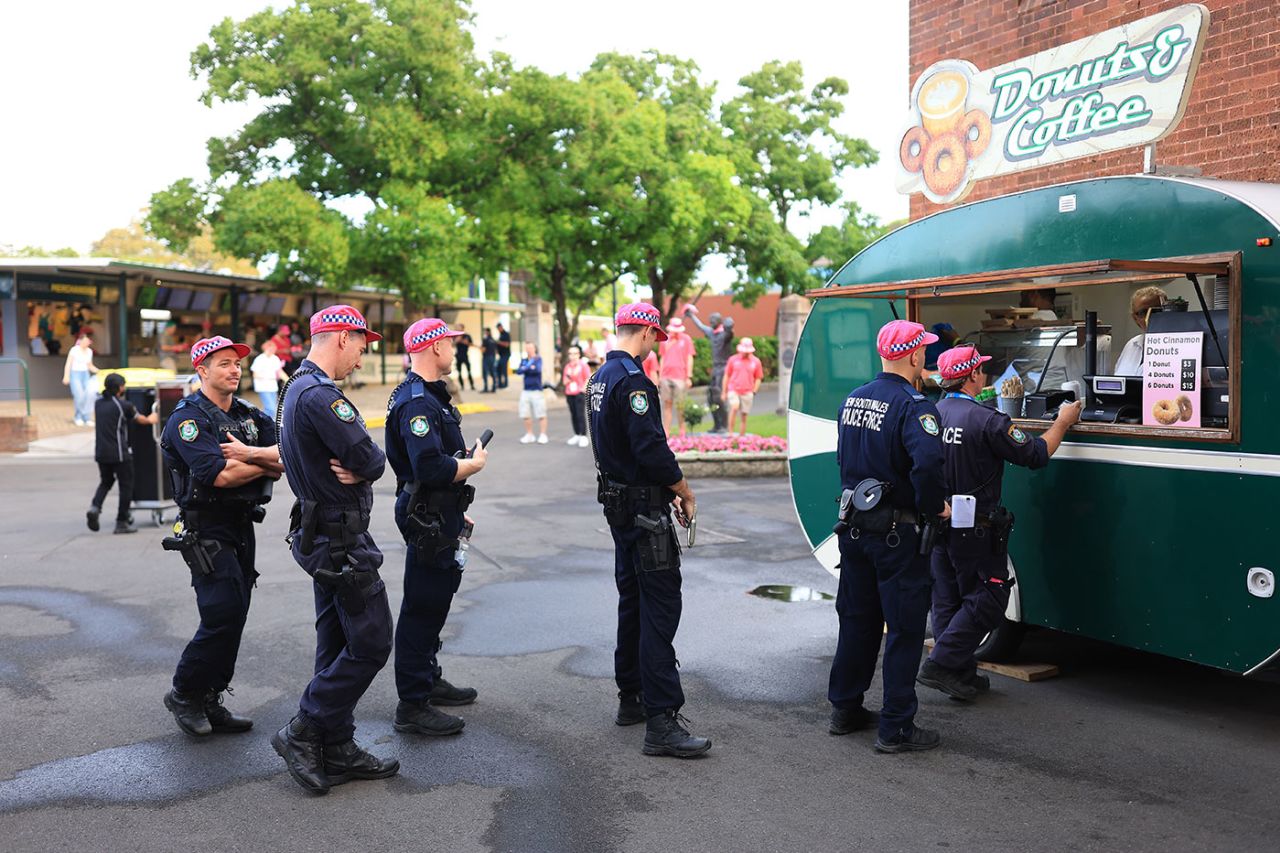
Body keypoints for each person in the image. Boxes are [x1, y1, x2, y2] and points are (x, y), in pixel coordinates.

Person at [274, 305, 399, 795]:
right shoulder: (322, 395)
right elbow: (370, 458)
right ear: (341, 338)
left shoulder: (292, 388)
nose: (362, 359)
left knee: (335, 646)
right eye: (362, 346)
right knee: (371, 642)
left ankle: (337, 744)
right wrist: (366, 464)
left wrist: (358, 465)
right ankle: (304, 730)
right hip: (341, 540)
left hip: (319, 533)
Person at [919, 346, 1081, 701]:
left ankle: (958, 673)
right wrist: (1063, 422)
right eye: (980, 369)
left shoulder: (930, 414)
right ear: (973, 376)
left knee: (947, 598)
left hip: (940, 523)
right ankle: (941, 664)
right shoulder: (988, 420)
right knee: (990, 595)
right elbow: (1037, 454)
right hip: (977, 529)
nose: (984, 375)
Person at [586, 302, 708, 758]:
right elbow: (651, 446)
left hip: (619, 505)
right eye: (656, 336)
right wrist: (682, 488)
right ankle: (662, 720)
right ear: (645, 332)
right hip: (643, 509)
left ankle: (631, 697)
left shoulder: (599, 378)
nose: (657, 344)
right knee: (660, 605)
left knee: (633, 601)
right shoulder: (633, 380)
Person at [828, 319, 950, 754]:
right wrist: (935, 506)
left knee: (857, 620)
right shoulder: (915, 405)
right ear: (916, 355)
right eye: (925, 353)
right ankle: (896, 726)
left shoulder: (854, 399)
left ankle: (845, 708)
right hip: (898, 532)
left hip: (855, 527)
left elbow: (844, 457)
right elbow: (929, 464)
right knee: (903, 627)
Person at [159, 336, 281, 739]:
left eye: (237, 363)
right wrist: (262, 461)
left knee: (238, 610)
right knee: (221, 611)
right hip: (206, 526)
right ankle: (184, 692)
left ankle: (211, 696)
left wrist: (248, 455)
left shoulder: (249, 416)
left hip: (241, 522)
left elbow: (285, 455)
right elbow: (217, 475)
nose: (234, 369)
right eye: (224, 363)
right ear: (202, 370)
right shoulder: (188, 419)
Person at [385, 317, 489, 738]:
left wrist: (455, 501)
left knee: (436, 601)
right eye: (450, 342)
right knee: (422, 606)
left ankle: (427, 677)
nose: (454, 349)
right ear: (433, 347)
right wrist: (473, 466)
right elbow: (430, 466)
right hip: (426, 511)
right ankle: (412, 703)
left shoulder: (430, 396)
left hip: (439, 508)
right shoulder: (417, 403)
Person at [88, 373, 158, 534]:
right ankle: (121, 522)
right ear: (120, 388)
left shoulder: (98, 404)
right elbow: (142, 420)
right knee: (126, 485)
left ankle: (95, 507)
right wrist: (153, 417)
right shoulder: (124, 405)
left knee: (106, 481)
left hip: (101, 452)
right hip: (119, 452)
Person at [683, 304, 735, 433]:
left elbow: (730, 332)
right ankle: (717, 425)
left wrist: (729, 324)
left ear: (720, 322)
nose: (711, 322)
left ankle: (724, 426)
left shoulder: (725, 334)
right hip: (715, 369)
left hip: (724, 369)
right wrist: (691, 316)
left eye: (714, 320)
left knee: (719, 397)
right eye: (710, 319)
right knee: (710, 397)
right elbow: (701, 327)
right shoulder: (712, 333)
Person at [1114, 285, 1168, 375]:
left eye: (1156, 311)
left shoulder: (1179, 345)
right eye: (1143, 312)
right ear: (1135, 318)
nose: (1149, 316)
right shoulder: (1131, 345)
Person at [657, 317, 695, 437]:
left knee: (680, 406)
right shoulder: (665, 339)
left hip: (680, 376)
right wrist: (660, 375)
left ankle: (682, 430)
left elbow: (690, 358)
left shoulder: (686, 339)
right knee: (667, 404)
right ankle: (666, 431)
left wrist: (689, 376)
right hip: (666, 376)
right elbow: (662, 357)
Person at [722, 338, 764, 436]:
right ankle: (730, 432)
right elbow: (727, 375)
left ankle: (742, 436)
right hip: (734, 389)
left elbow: (758, 377)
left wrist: (754, 390)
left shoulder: (756, 362)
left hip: (748, 391)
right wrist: (724, 391)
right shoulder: (733, 360)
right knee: (734, 407)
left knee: (744, 415)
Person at [62, 333, 99, 426]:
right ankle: (78, 417)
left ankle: (87, 418)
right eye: (86, 341)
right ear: (81, 341)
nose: (88, 343)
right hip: (75, 374)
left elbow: (90, 365)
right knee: (79, 395)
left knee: (88, 395)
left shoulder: (89, 351)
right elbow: (68, 364)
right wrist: (66, 376)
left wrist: (99, 371)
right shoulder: (74, 350)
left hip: (85, 374)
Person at [516, 342, 548, 444]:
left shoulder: (538, 359)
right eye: (527, 348)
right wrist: (529, 368)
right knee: (525, 413)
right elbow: (519, 371)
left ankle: (543, 434)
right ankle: (529, 434)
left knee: (541, 413)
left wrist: (526, 368)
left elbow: (537, 370)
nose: (528, 349)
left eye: (530, 347)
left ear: (535, 349)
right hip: (526, 390)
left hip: (537, 391)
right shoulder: (524, 360)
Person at [562, 344, 592, 447]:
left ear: (578, 354)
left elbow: (588, 378)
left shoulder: (583, 365)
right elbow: (565, 381)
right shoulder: (567, 367)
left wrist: (583, 389)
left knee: (580, 414)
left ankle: (583, 435)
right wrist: (570, 377)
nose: (572, 356)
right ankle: (576, 434)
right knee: (573, 414)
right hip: (569, 393)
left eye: (575, 353)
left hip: (579, 393)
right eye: (570, 354)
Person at [250, 339, 288, 417]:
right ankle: (262, 423)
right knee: (270, 408)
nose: (273, 350)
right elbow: (255, 374)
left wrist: (288, 380)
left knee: (272, 409)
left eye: (274, 349)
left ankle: (264, 424)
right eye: (270, 349)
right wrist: (269, 376)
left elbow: (280, 371)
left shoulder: (275, 358)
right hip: (263, 387)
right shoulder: (259, 359)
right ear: (265, 348)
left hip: (273, 387)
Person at [454, 324, 475, 391]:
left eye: (459, 327)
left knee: (469, 371)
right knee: (459, 372)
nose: (457, 328)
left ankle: (472, 385)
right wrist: (458, 339)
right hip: (458, 356)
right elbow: (453, 343)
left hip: (465, 356)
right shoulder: (456, 336)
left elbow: (471, 344)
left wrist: (466, 343)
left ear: (463, 328)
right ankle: (462, 386)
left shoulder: (467, 336)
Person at [481, 328, 499, 393]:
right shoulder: (493, 340)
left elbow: (483, 349)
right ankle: (494, 388)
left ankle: (485, 388)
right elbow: (496, 351)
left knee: (485, 373)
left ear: (487, 332)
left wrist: (480, 349)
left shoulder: (485, 339)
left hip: (486, 358)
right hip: (493, 358)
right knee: (493, 373)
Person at [496, 323, 512, 389]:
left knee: (504, 369)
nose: (499, 329)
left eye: (499, 328)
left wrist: (498, 342)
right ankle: (500, 384)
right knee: (498, 368)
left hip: (506, 354)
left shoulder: (506, 334)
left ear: (501, 327)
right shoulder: (500, 335)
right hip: (501, 355)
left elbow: (507, 344)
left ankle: (505, 384)